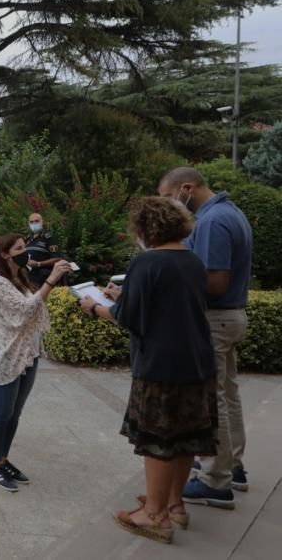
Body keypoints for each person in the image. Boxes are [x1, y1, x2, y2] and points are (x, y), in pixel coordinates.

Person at [80, 197, 216, 543]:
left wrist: (95, 306)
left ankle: (153, 514)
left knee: (158, 439)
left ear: (145, 228)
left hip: (160, 365)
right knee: (186, 436)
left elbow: (129, 318)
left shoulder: (147, 262)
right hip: (197, 361)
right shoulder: (193, 261)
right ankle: (174, 503)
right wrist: (126, 293)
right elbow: (170, 302)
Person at [158, 167, 254, 508]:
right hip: (230, 317)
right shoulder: (231, 212)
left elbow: (215, 282)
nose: (169, 206)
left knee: (212, 400)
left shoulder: (212, 222)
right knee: (228, 393)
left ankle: (216, 480)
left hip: (215, 318)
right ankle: (233, 466)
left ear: (187, 188)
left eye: (170, 198)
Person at [0, 233, 71, 493]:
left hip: (29, 353)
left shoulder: (18, 277)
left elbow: (33, 306)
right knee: (2, 412)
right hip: (9, 356)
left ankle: (4, 459)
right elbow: (24, 312)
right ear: (5, 254)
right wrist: (51, 279)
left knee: (15, 412)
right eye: (20, 248)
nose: (26, 252)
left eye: (25, 247)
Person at [25, 213, 64, 288]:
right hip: (30, 279)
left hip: (45, 279)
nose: (34, 223)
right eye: (31, 222)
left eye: (37, 221)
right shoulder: (28, 239)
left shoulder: (49, 238)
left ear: (42, 222)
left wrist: (38, 264)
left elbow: (57, 259)